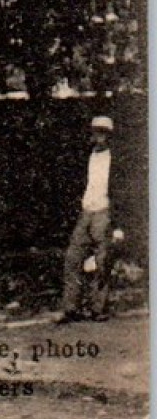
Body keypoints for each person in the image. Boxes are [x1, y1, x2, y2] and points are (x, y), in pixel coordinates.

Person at [60, 115, 118, 323]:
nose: (98, 137)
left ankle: (98, 309)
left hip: (104, 212)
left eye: (103, 133)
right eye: (95, 132)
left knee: (102, 262)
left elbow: (123, 192)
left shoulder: (116, 160)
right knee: (72, 259)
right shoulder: (85, 157)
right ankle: (70, 309)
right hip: (86, 212)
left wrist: (118, 224)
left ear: (109, 136)